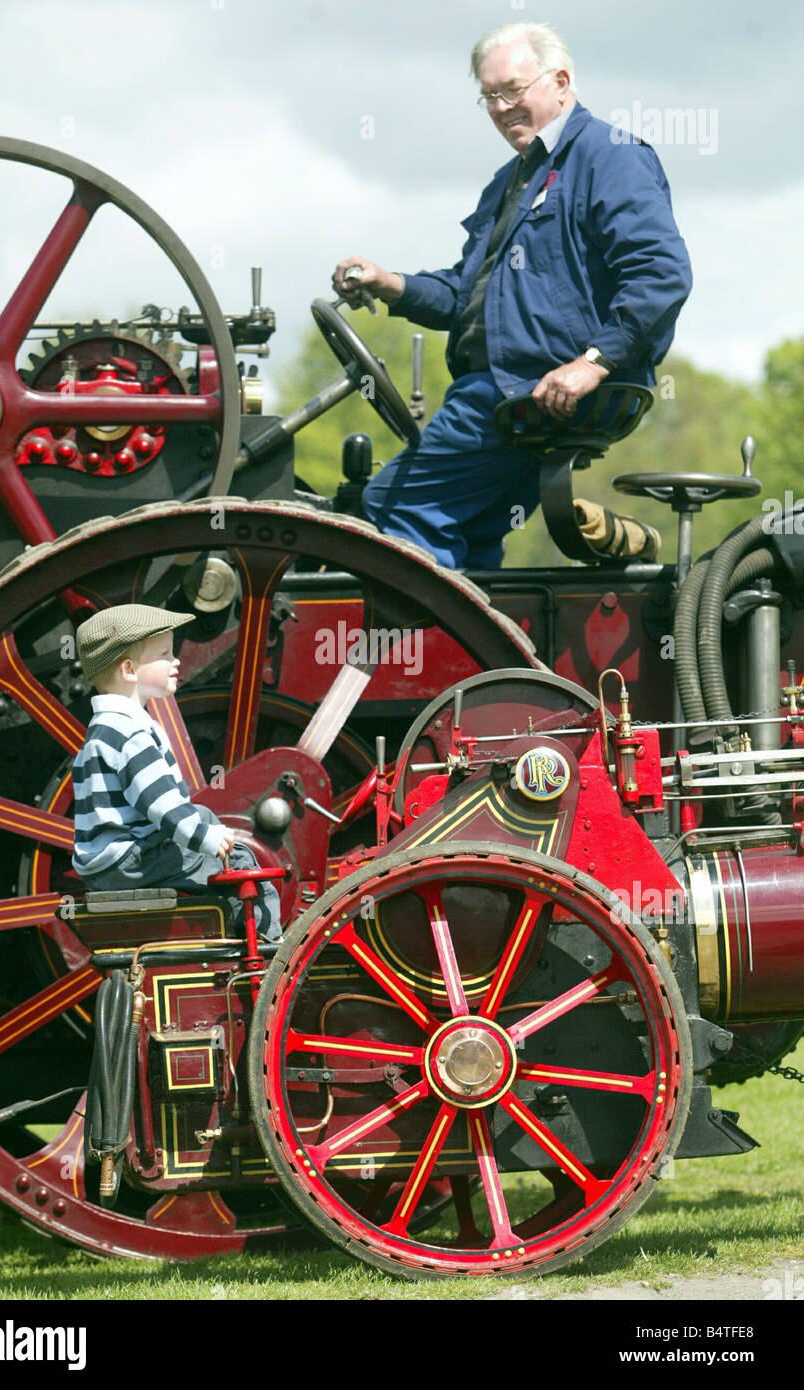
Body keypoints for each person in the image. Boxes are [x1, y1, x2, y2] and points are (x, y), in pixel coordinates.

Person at [332, 20, 692, 570]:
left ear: (561, 81)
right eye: (490, 97)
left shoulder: (609, 155)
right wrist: (391, 284)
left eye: (514, 90)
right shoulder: (512, 180)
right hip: (505, 394)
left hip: (530, 392)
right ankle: (479, 651)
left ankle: (401, 655)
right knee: (469, 530)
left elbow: (661, 273)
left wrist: (591, 363)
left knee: (392, 505)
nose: (501, 107)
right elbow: (463, 297)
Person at [71, 603, 281, 941]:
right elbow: (162, 805)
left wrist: (204, 826)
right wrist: (207, 839)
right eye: (166, 654)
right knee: (242, 861)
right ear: (128, 669)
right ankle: (270, 949)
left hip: (105, 865)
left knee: (203, 814)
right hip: (133, 860)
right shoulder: (131, 734)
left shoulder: (102, 729)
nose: (176, 661)